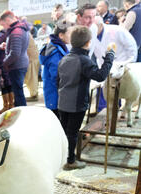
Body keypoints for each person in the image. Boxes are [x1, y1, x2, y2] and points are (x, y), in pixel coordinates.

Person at [57, 26, 115, 170]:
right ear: (88, 43)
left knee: (64, 131)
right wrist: (110, 56)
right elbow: (100, 75)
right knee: (72, 133)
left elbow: (58, 80)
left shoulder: (65, 58)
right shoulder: (84, 60)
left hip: (63, 101)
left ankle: (60, 157)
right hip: (76, 104)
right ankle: (70, 161)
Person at [40, 20, 75, 119]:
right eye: (70, 33)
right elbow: (56, 76)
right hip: (56, 97)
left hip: (58, 96)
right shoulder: (55, 52)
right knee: (59, 124)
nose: (72, 36)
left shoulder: (60, 47)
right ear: (61, 35)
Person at [0, 10, 30, 107]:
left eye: (3, 24)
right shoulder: (19, 29)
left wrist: (4, 62)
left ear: (8, 20)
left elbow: (15, 53)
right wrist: (7, 46)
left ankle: (22, 114)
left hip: (17, 65)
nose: (3, 27)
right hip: (20, 64)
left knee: (18, 93)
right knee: (18, 92)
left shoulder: (16, 31)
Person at [0, 25, 14, 112]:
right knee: (9, 84)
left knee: (4, 85)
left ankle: (6, 106)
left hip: (2, 61)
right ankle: (11, 105)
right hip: (9, 61)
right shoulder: (10, 34)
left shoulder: (0, 35)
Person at [24, 32, 40, 101]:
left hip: (31, 58)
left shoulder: (24, 33)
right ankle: (34, 94)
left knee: (32, 78)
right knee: (32, 77)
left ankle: (34, 95)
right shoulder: (26, 32)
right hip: (33, 57)